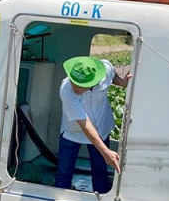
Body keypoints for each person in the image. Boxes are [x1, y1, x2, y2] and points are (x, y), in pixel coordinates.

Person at [55, 56, 129, 193]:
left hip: (101, 129)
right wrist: (105, 151)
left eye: (80, 85)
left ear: (93, 81)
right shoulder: (66, 90)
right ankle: (60, 199)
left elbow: (112, 74)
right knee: (64, 171)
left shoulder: (105, 70)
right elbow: (85, 124)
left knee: (100, 170)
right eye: (73, 81)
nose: (74, 87)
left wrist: (122, 83)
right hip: (72, 131)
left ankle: (101, 200)